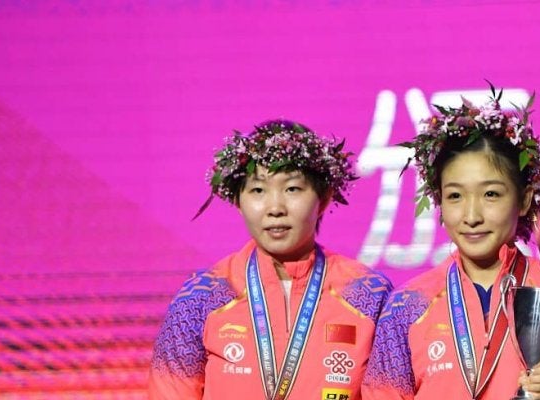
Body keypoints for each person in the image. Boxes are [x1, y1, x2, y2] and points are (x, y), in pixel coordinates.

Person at [361, 88, 540, 400]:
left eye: (491, 194)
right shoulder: (407, 306)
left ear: (525, 199)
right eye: (455, 196)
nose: (471, 216)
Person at [149, 120, 392, 400]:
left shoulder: (369, 293)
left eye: (292, 189)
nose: (275, 208)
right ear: (237, 201)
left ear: (324, 198)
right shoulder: (201, 297)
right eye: (258, 191)